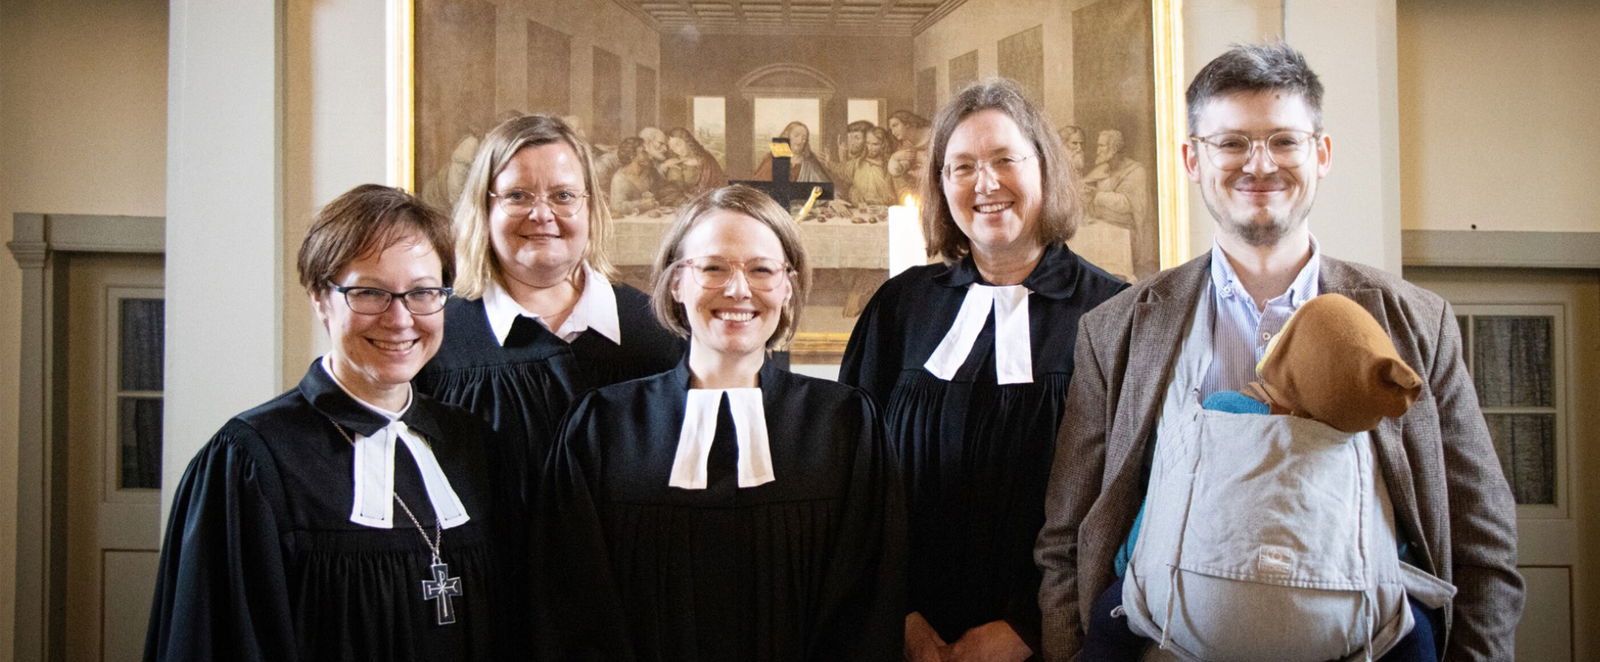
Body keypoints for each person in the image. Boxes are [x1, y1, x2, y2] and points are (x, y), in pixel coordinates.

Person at [1035, 42, 1523, 661]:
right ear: (1191, 159)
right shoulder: (1118, 329)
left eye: (1284, 141)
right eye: (1232, 142)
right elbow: (1066, 536)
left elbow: (1483, 538)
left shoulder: (1417, 324)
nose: (1258, 164)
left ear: (1321, 154)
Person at [144, 185, 518, 660]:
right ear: (321, 297)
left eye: (423, 292)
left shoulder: (472, 445)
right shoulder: (252, 460)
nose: (400, 319)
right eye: (369, 293)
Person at [536, 184, 905, 660]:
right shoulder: (602, 428)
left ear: (787, 286)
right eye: (712, 268)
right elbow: (571, 608)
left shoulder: (845, 426)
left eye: (761, 270)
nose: (737, 289)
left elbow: (868, 608)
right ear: (675, 284)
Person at [839, 78, 1126, 661]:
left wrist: (1025, 627)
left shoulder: (1114, 314)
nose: (985, 183)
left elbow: (1127, 501)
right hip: (905, 640)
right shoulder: (900, 307)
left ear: (1043, 168)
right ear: (941, 185)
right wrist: (903, 618)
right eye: (962, 166)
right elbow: (851, 476)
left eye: (1004, 160)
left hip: (1049, 640)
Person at [415, 115, 683, 497]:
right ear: (483, 208)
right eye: (517, 195)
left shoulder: (658, 331)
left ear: (591, 207)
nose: (542, 214)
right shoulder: (437, 338)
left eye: (563, 196)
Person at [1081, 129, 1155, 277]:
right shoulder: (1103, 169)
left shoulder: (1135, 171)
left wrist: (1097, 195)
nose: (1098, 151)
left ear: (1114, 149)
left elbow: (1126, 204)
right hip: (1102, 227)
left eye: (1102, 146)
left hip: (1126, 232)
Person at [753, 121, 833, 183]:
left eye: (804, 138)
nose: (800, 141)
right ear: (787, 136)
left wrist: (833, 199)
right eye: (796, 135)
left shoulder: (810, 162)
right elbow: (758, 188)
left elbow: (827, 187)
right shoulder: (771, 159)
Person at [661, 127, 727, 198]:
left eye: (678, 144)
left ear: (687, 141)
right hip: (690, 203)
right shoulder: (675, 166)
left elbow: (720, 182)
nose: (677, 150)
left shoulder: (707, 159)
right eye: (673, 148)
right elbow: (675, 193)